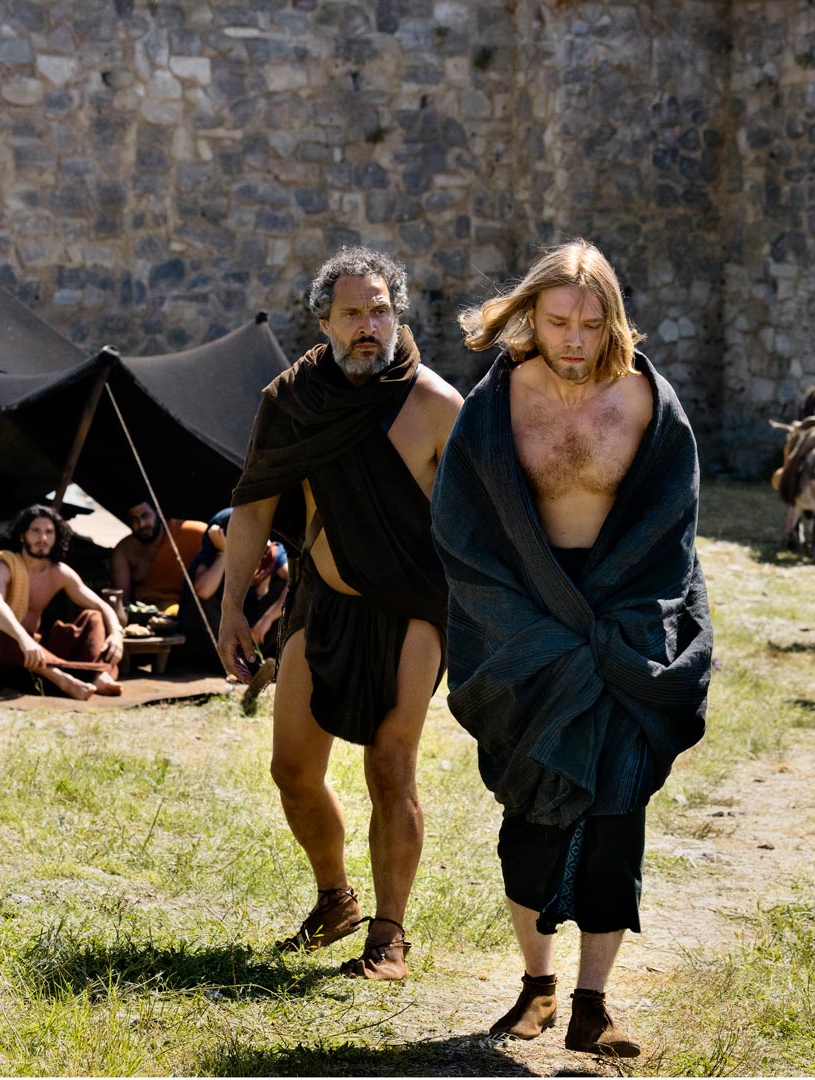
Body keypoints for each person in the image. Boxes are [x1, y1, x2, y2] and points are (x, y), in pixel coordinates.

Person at [434, 240, 712, 1059]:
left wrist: (628, 626)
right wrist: (524, 630)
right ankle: (537, 984)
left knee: (617, 817)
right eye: (558, 321)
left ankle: (593, 1003)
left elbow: (672, 529)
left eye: (591, 324)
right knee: (532, 813)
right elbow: (463, 528)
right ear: (531, 314)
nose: (575, 340)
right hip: (526, 625)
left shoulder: (647, 401)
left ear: (612, 319)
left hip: (625, 623)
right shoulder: (496, 406)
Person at [218, 246, 462, 981]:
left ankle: (389, 935)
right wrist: (232, 606)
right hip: (321, 602)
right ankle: (335, 899)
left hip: (413, 609)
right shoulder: (295, 402)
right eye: (352, 312)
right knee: (292, 768)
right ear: (323, 322)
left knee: (390, 765)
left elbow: (482, 523)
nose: (368, 325)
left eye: (380, 310)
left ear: (398, 315)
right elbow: (254, 504)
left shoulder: (436, 405)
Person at [0, 505, 125, 701]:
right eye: (35, 531)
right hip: (0, 655)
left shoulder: (59, 572)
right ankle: (64, 680)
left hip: (35, 650)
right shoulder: (3, 566)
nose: (42, 538)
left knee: (92, 618)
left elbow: (101, 606)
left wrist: (116, 633)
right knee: (4, 632)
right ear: (22, 536)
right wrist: (22, 639)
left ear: (56, 538)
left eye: (49, 532)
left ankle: (98, 675)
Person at [183, 507, 289, 669]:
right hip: (218, 629)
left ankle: (251, 659)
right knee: (201, 602)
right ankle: (230, 662)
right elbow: (204, 592)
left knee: (286, 592)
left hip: (251, 628)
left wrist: (268, 618)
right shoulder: (210, 557)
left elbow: (294, 582)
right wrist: (225, 553)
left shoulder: (269, 552)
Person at [109, 499, 208, 608]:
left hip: (191, 609)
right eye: (134, 519)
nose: (141, 524)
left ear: (158, 513)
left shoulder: (196, 533)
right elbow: (121, 599)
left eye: (145, 516)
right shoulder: (124, 550)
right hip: (148, 612)